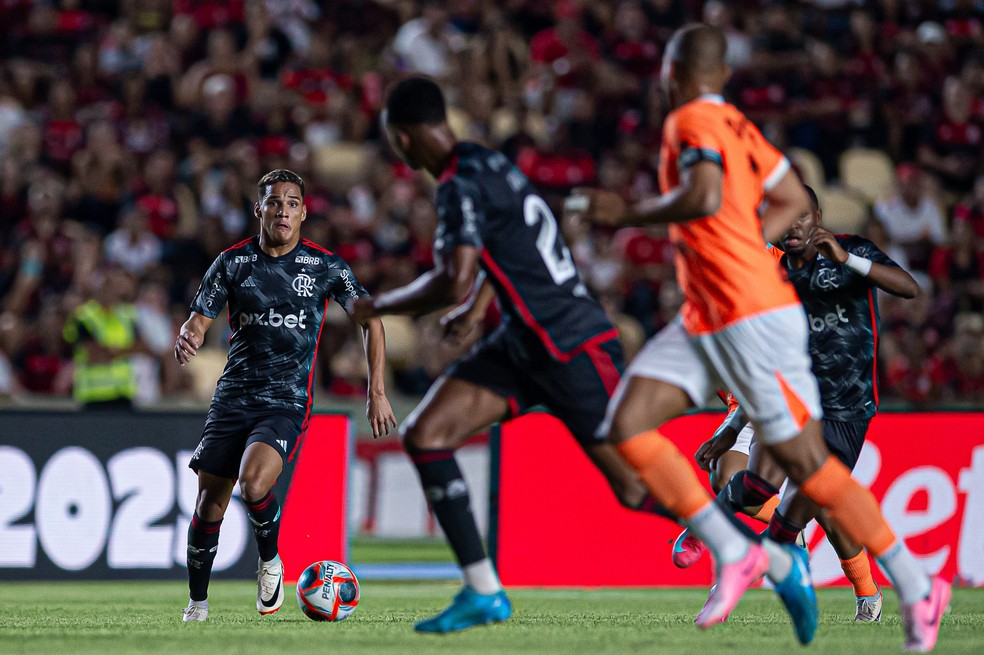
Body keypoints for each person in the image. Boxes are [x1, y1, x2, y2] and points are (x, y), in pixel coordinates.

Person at [568, 24, 949, 652]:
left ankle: (869, 577)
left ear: (677, 72)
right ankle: (764, 555)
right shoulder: (742, 128)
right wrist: (755, 243)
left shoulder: (691, 123)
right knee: (651, 432)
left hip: (748, 315)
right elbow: (789, 194)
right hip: (720, 308)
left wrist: (627, 214)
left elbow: (704, 194)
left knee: (788, 474)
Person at [352, 76, 678, 634]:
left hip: (570, 342)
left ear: (401, 141)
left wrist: (376, 305)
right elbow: (506, 251)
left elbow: (453, 279)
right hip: (524, 344)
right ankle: (483, 592)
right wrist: (480, 310)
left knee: (634, 487)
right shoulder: (488, 162)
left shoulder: (457, 185)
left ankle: (759, 538)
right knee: (426, 434)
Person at [676, 184, 920, 624]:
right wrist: (730, 424)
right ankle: (761, 533)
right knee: (734, 477)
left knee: (821, 502)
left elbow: (907, 287)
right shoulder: (736, 275)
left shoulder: (798, 265)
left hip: (838, 405)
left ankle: (863, 584)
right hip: (771, 397)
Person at [174, 169, 396, 622]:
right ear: (259, 209)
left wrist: (377, 391)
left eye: (292, 203)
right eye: (275, 202)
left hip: (285, 400)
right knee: (208, 506)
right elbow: (199, 318)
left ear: (304, 213)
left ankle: (270, 562)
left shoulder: (326, 267)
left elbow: (372, 321)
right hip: (233, 398)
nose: (283, 211)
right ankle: (197, 603)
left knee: (255, 481)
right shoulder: (233, 263)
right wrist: (189, 335)